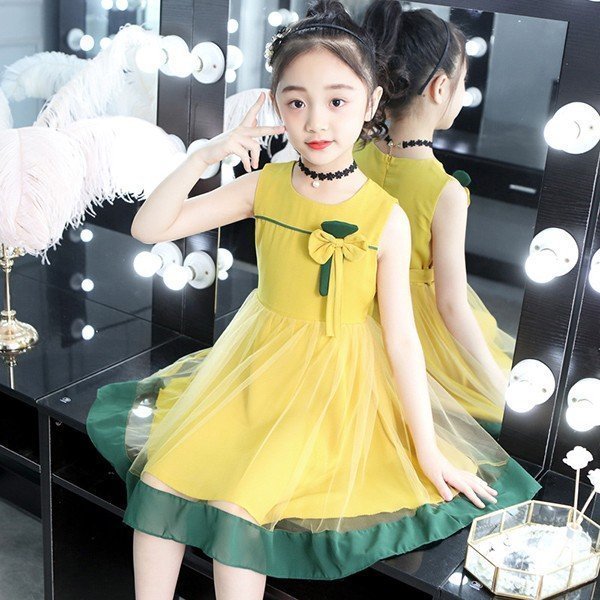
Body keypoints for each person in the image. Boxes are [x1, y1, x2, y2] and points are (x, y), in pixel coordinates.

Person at [87, 3, 540, 599]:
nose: (316, 121)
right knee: (162, 483)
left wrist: (428, 450)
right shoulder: (266, 184)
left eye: (337, 100)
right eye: (296, 102)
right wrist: (204, 156)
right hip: (253, 366)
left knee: (237, 507)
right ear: (278, 106)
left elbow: (403, 340)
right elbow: (149, 227)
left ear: (372, 103)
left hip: (336, 381)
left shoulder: (385, 215)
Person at [355, 0, 514, 437]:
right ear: (441, 88)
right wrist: (498, 387)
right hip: (415, 339)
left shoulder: (350, 156)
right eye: (464, 83)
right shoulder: (443, 193)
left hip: (350, 321)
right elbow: (451, 305)